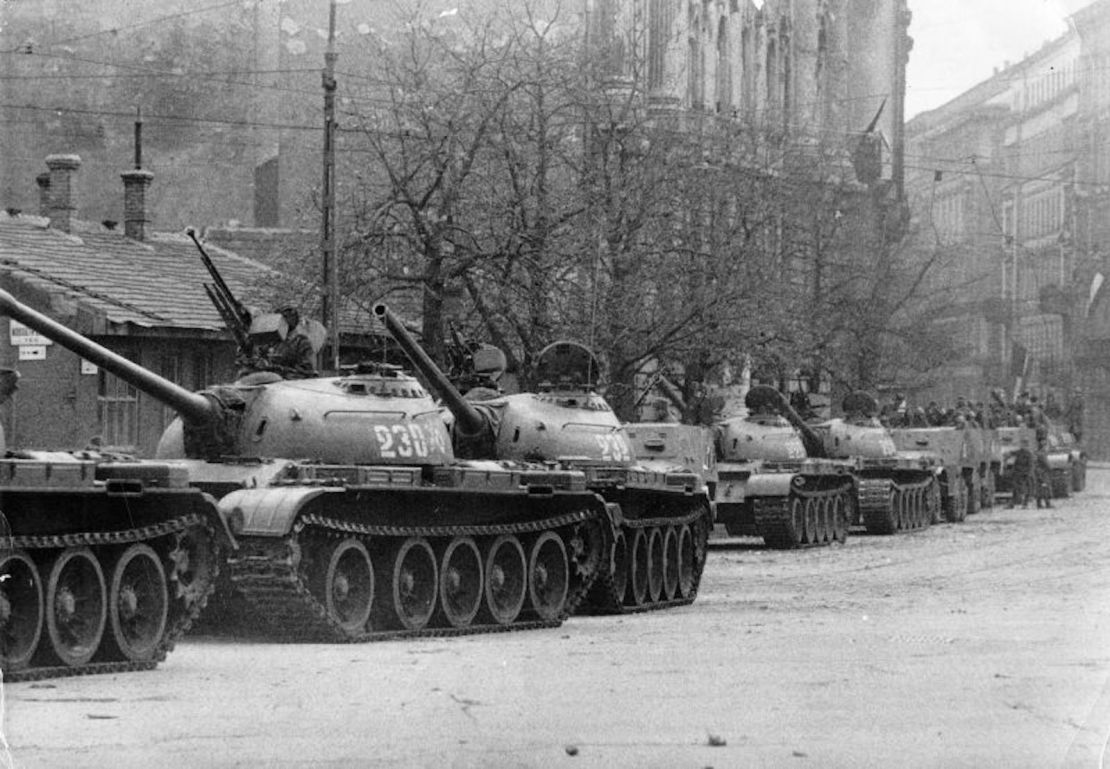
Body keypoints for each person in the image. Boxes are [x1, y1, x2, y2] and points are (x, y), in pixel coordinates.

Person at [265, 306, 316, 378]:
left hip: (292, 384)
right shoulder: (272, 342)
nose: (277, 323)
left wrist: (281, 369)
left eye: (282, 319)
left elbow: (307, 370)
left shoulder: (301, 342)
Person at [1008, 439, 1034, 509]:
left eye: (1024, 445)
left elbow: (1030, 465)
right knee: (1016, 489)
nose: (1022, 446)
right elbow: (1011, 453)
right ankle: (1013, 503)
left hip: (1025, 474)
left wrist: (1028, 473)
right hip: (1017, 473)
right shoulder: (1019, 452)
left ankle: (1024, 504)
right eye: (1022, 444)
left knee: (1026, 489)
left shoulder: (1028, 454)